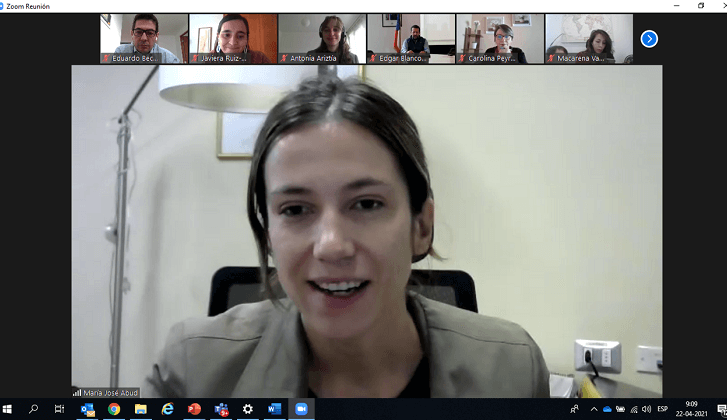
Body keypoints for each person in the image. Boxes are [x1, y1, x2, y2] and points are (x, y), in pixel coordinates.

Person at [143, 75, 550, 398]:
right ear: (268, 236)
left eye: (367, 204)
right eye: (295, 210)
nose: (331, 245)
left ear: (421, 227)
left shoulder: (512, 370)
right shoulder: (191, 371)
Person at [114, 14, 180, 63]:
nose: (144, 38)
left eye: (150, 33)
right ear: (132, 34)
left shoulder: (169, 59)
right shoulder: (120, 52)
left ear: (156, 36)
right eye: (138, 32)